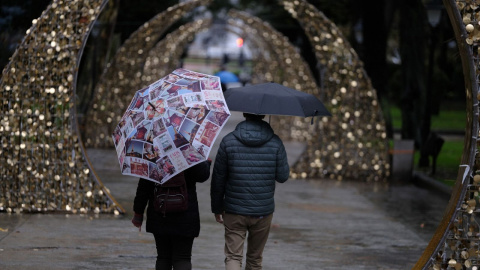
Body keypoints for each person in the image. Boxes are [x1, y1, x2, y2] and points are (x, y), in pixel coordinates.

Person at [210, 113, 290, 270]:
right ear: (264, 115)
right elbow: (282, 177)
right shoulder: (275, 142)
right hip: (263, 211)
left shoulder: (228, 141)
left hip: (234, 210)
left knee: (233, 256)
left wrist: (217, 208)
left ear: (245, 114)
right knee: (254, 259)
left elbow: (218, 179)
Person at [132, 160, 211, 270]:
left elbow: (144, 186)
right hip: (185, 215)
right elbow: (203, 175)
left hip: (159, 212)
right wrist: (206, 163)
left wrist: (138, 213)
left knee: (163, 257)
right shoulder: (188, 152)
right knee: (183, 258)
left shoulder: (153, 153)